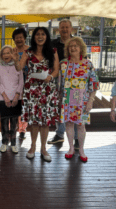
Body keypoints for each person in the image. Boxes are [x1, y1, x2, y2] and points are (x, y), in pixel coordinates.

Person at [17, 27, 60, 162]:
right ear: (33, 37)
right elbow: (19, 68)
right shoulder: (28, 52)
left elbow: (56, 70)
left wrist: (51, 77)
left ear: (46, 36)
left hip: (47, 90)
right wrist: (16, 58)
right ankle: (33, 146)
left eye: (42, 34)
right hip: (32, 91)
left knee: (45, 122)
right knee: (34, 121)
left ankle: (43, 148)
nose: (40, 37)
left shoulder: (52, 51)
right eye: (37, 34)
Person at [60, 37, 99, 162]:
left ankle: (81, 149)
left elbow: (94, 84)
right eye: (70, 46)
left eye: (76, 45)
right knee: (69, 124)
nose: (73, 48)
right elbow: (59, 84)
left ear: (81, 48)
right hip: (67, 98)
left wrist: (91, 100)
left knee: (81, 125)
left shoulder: (88, 64)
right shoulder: (64, 64)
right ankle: (71, 148)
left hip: (82, 99)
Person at [48, 19, 79, 148]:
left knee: (75, 109)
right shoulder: (53, 43)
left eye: (67, 27)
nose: (65, 30)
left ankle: (77, 139)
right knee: (60, 108)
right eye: (62, 28)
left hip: (75, 82)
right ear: (58, 30)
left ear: (71, 29)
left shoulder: (77, 42)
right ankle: (60, 135)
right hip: (59, 81)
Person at [0, 45, 24, 153]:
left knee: (14, 122)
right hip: (3, 98)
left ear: (12, 54)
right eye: (4, 53)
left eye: (9, 53)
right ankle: (4, 142)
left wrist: (17, 96)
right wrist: (6, 97)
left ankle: (13, 143)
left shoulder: (17, 66)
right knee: (4, 122)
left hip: (16, 97)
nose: (6, 55)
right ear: (1, 55)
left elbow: (21, 82)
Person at [12, 28, 29, 140]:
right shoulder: (12, 51)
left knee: (24, 106)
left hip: (28, 81)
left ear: (24, 38)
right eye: (16, 37)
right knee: (13, 105)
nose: (19, 39)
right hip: (13, 82)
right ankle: (12, 128)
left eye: (21, 37)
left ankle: (22, 129)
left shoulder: (29, 50)